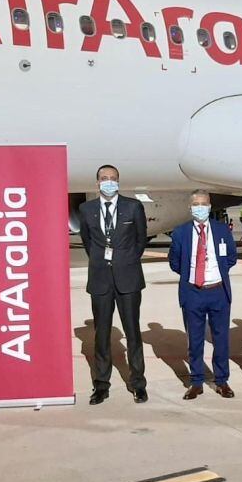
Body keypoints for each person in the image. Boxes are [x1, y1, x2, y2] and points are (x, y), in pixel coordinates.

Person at [78, 165, 149, 405]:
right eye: (104, 178)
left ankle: (138, 383)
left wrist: (124, 260)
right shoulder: (86, 209)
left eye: (113, 178)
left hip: (127, 278)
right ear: (97, 182)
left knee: (132, 333)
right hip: (100, 279)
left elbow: (140, 241)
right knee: (101, 335)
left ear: (119, 181)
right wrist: (103, 261)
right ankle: (101, 385)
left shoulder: (133, 207)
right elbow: (88, 242)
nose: (108, 182)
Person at [168, 190, 239, 400]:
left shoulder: (221, 230)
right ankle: (196, 381)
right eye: (196, 204)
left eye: (204, 204)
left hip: (218, 290)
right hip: (193, 292)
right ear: (190, 208)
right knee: (195, 340)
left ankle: (221, 380)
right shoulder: (180, 233)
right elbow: (174, 262)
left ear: (210, 206)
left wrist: (214, 272)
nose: (200, 207)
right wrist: (193, 274)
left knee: (221, 338)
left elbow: (232, 257)